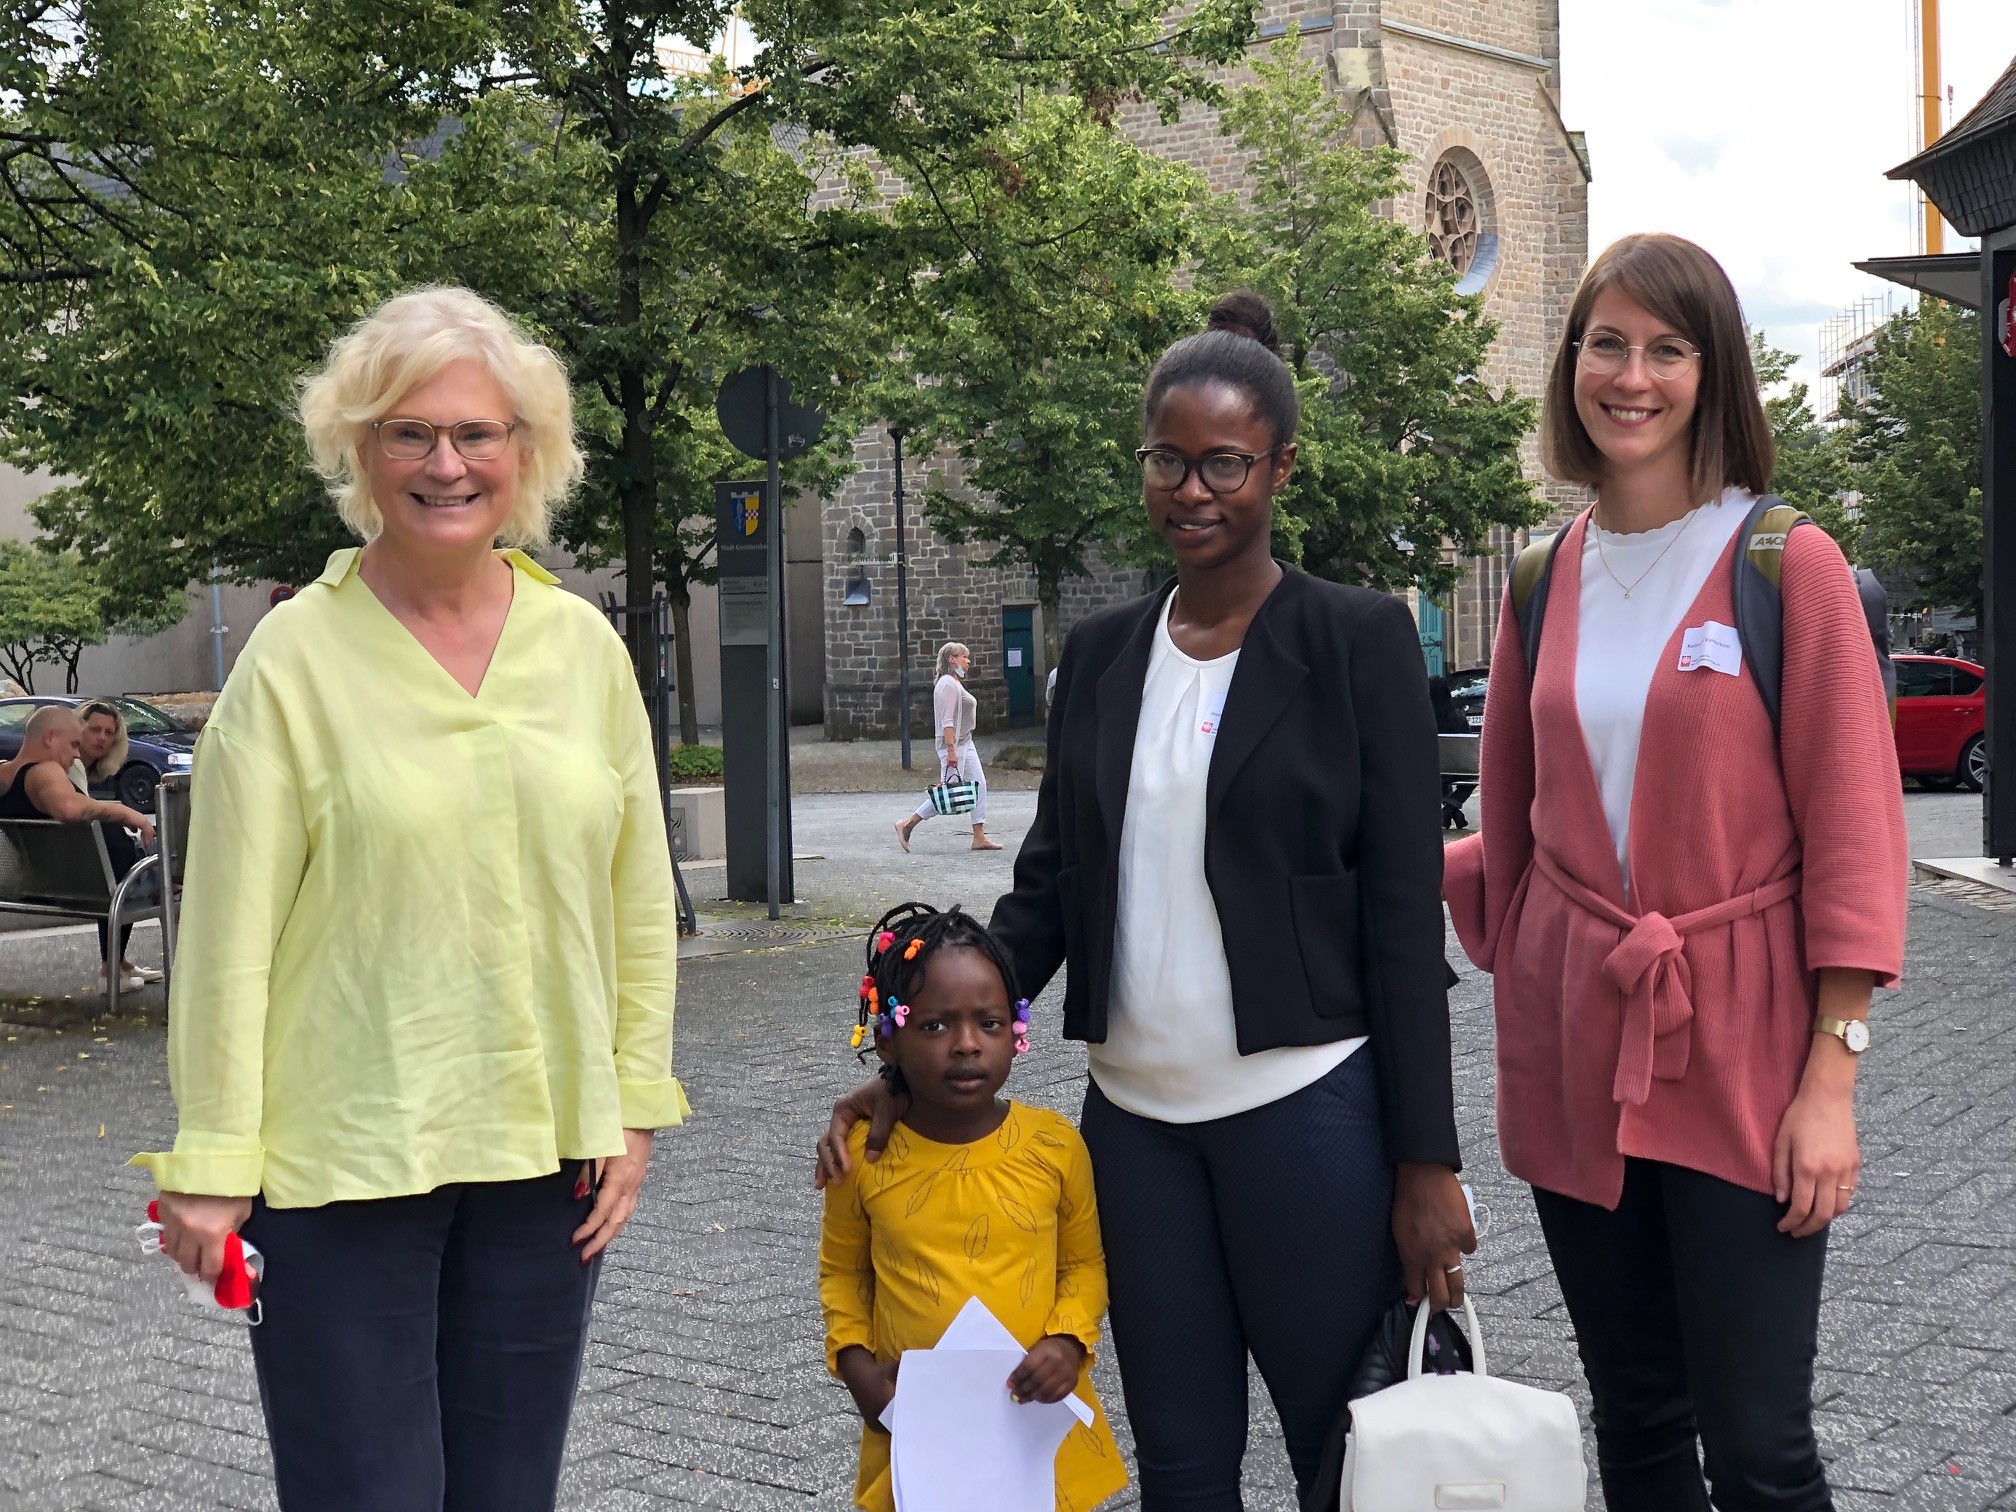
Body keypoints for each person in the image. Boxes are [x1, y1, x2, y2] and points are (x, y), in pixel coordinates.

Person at [825, 292, 1474, 1509]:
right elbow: (1046, 896)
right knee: (1182, 1469)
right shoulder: (1107, 657)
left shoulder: (1356, 641)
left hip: (1306, 1116)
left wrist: (1426, 1163)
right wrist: (907, 1057)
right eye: (1168, 462)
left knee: (1346, 1456)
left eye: (1225, 462)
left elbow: (1401, 921)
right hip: (1134, 1135)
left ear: (1279, 466)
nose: (1194, 490)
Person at [130, 286, 689, 1512]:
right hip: (342, 1167)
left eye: (478, 433)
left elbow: (636, 898)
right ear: (360, 450)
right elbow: (224, 940)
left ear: (525, 454)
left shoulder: (582, 649)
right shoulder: (292, 661)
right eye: (409, 433)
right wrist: (214, 1162)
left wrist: (634, 1102)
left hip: (545, 1164)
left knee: (507, 1495)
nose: (447, 463)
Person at [1445, 234, 1907, 1511]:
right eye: (1607, 342)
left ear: (1713, 374)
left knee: (1758, 1445)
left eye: (1665, 348)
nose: (1630, 375)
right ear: (1572, 363)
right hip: (1574, 1036)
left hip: (1745, 1046)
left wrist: (1833, 1079)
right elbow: (1514, 825)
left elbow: (1858, 837)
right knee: (1638, 1424)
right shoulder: (1543, 575)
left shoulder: (1783, 561)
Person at [820, 903, 1127, 1512]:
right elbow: (843, 1275)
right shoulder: (865, 1156)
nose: (966, 1045)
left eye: (988, 1023)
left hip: (1032, 1428)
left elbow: (1084, 1266)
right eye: (934, 1026)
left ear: (1016, 1031)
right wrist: (858, 1372)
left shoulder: (1056, 1146)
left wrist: (1068, 1344)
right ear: (889, 1037)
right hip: (917, 1429)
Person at [0, 705, 158, 992]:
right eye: (74, 744)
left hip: (62, 880)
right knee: (183, 869)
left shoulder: (5, 774)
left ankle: (117, 965)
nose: (76, 754)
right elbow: (69, 808)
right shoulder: (45, 770)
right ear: (49, 738)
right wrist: (125, 813)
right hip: (106, 882)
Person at [72, 700, 163, 990]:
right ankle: (112, 969)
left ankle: (116, 963)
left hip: (82, 874)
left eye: (109, 732)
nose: (101, 737)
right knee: (151, 870)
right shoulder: (70, 768)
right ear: (77, 729)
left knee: (123, 870)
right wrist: (122, 813)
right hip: (94, 878)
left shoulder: (80, 769)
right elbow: (84, 812)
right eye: (95, 729)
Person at [894, 641, 1003, 852]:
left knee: (979, 784)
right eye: (964, 656)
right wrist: (951, 750)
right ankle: (907, 824)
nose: (968, 661)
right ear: (952, 659)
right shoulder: (947, 684)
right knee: (949, 793)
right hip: (953, 745)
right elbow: (947, 722)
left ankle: (979, 836)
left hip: (965, 742)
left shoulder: (954, 682)